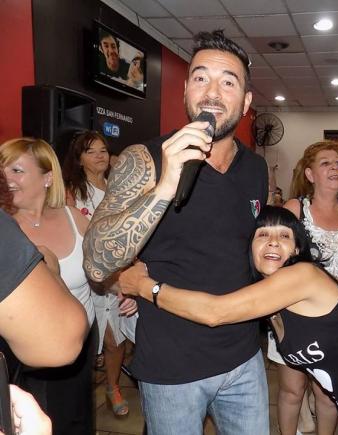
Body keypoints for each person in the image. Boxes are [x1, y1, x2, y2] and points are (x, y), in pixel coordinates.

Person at [118, 205, 338, 435]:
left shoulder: (301, 276)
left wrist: (145, 287)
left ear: (295, 249)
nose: (273, 242)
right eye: (262, 234)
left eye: (284, 236)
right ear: (250, 248)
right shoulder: (269, 302)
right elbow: (206, 284)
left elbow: (215, 312)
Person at [83, 30, 269, 434]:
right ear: (185, 90)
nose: (212, 92)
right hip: (172, 369)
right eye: (201, 78)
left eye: (228, 82)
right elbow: (95, 264)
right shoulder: (144, 159)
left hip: (244, 359)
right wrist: (165, 185)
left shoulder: (255, 169)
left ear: (246, 102)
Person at [0, 137, 95, 434]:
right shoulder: (6, 230)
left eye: (16, 170)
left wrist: (124, 287)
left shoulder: (73, 217)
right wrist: (51, 271)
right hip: (29, 361)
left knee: (79, 420)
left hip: (82, 349)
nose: (6, 178)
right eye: (1, 170)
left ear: (47, 178)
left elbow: (101, 267)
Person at [283, 140, 338, 434]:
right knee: (293, 390)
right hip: (297, 314)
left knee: (328, 393)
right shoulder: (295, 209)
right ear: (310, 174)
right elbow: (277, 262)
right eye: (326, 163)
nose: (335, 168)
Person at [62, 130, 137, 418]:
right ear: (79, 158)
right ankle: (81, 392)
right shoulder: (71, 191)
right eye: (90, 151)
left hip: (117, 276)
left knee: (115, 339)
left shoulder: (119, 188)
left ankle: (112, 386)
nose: (99, 156)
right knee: (86, 339)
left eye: (103, 150)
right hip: (84, 279)